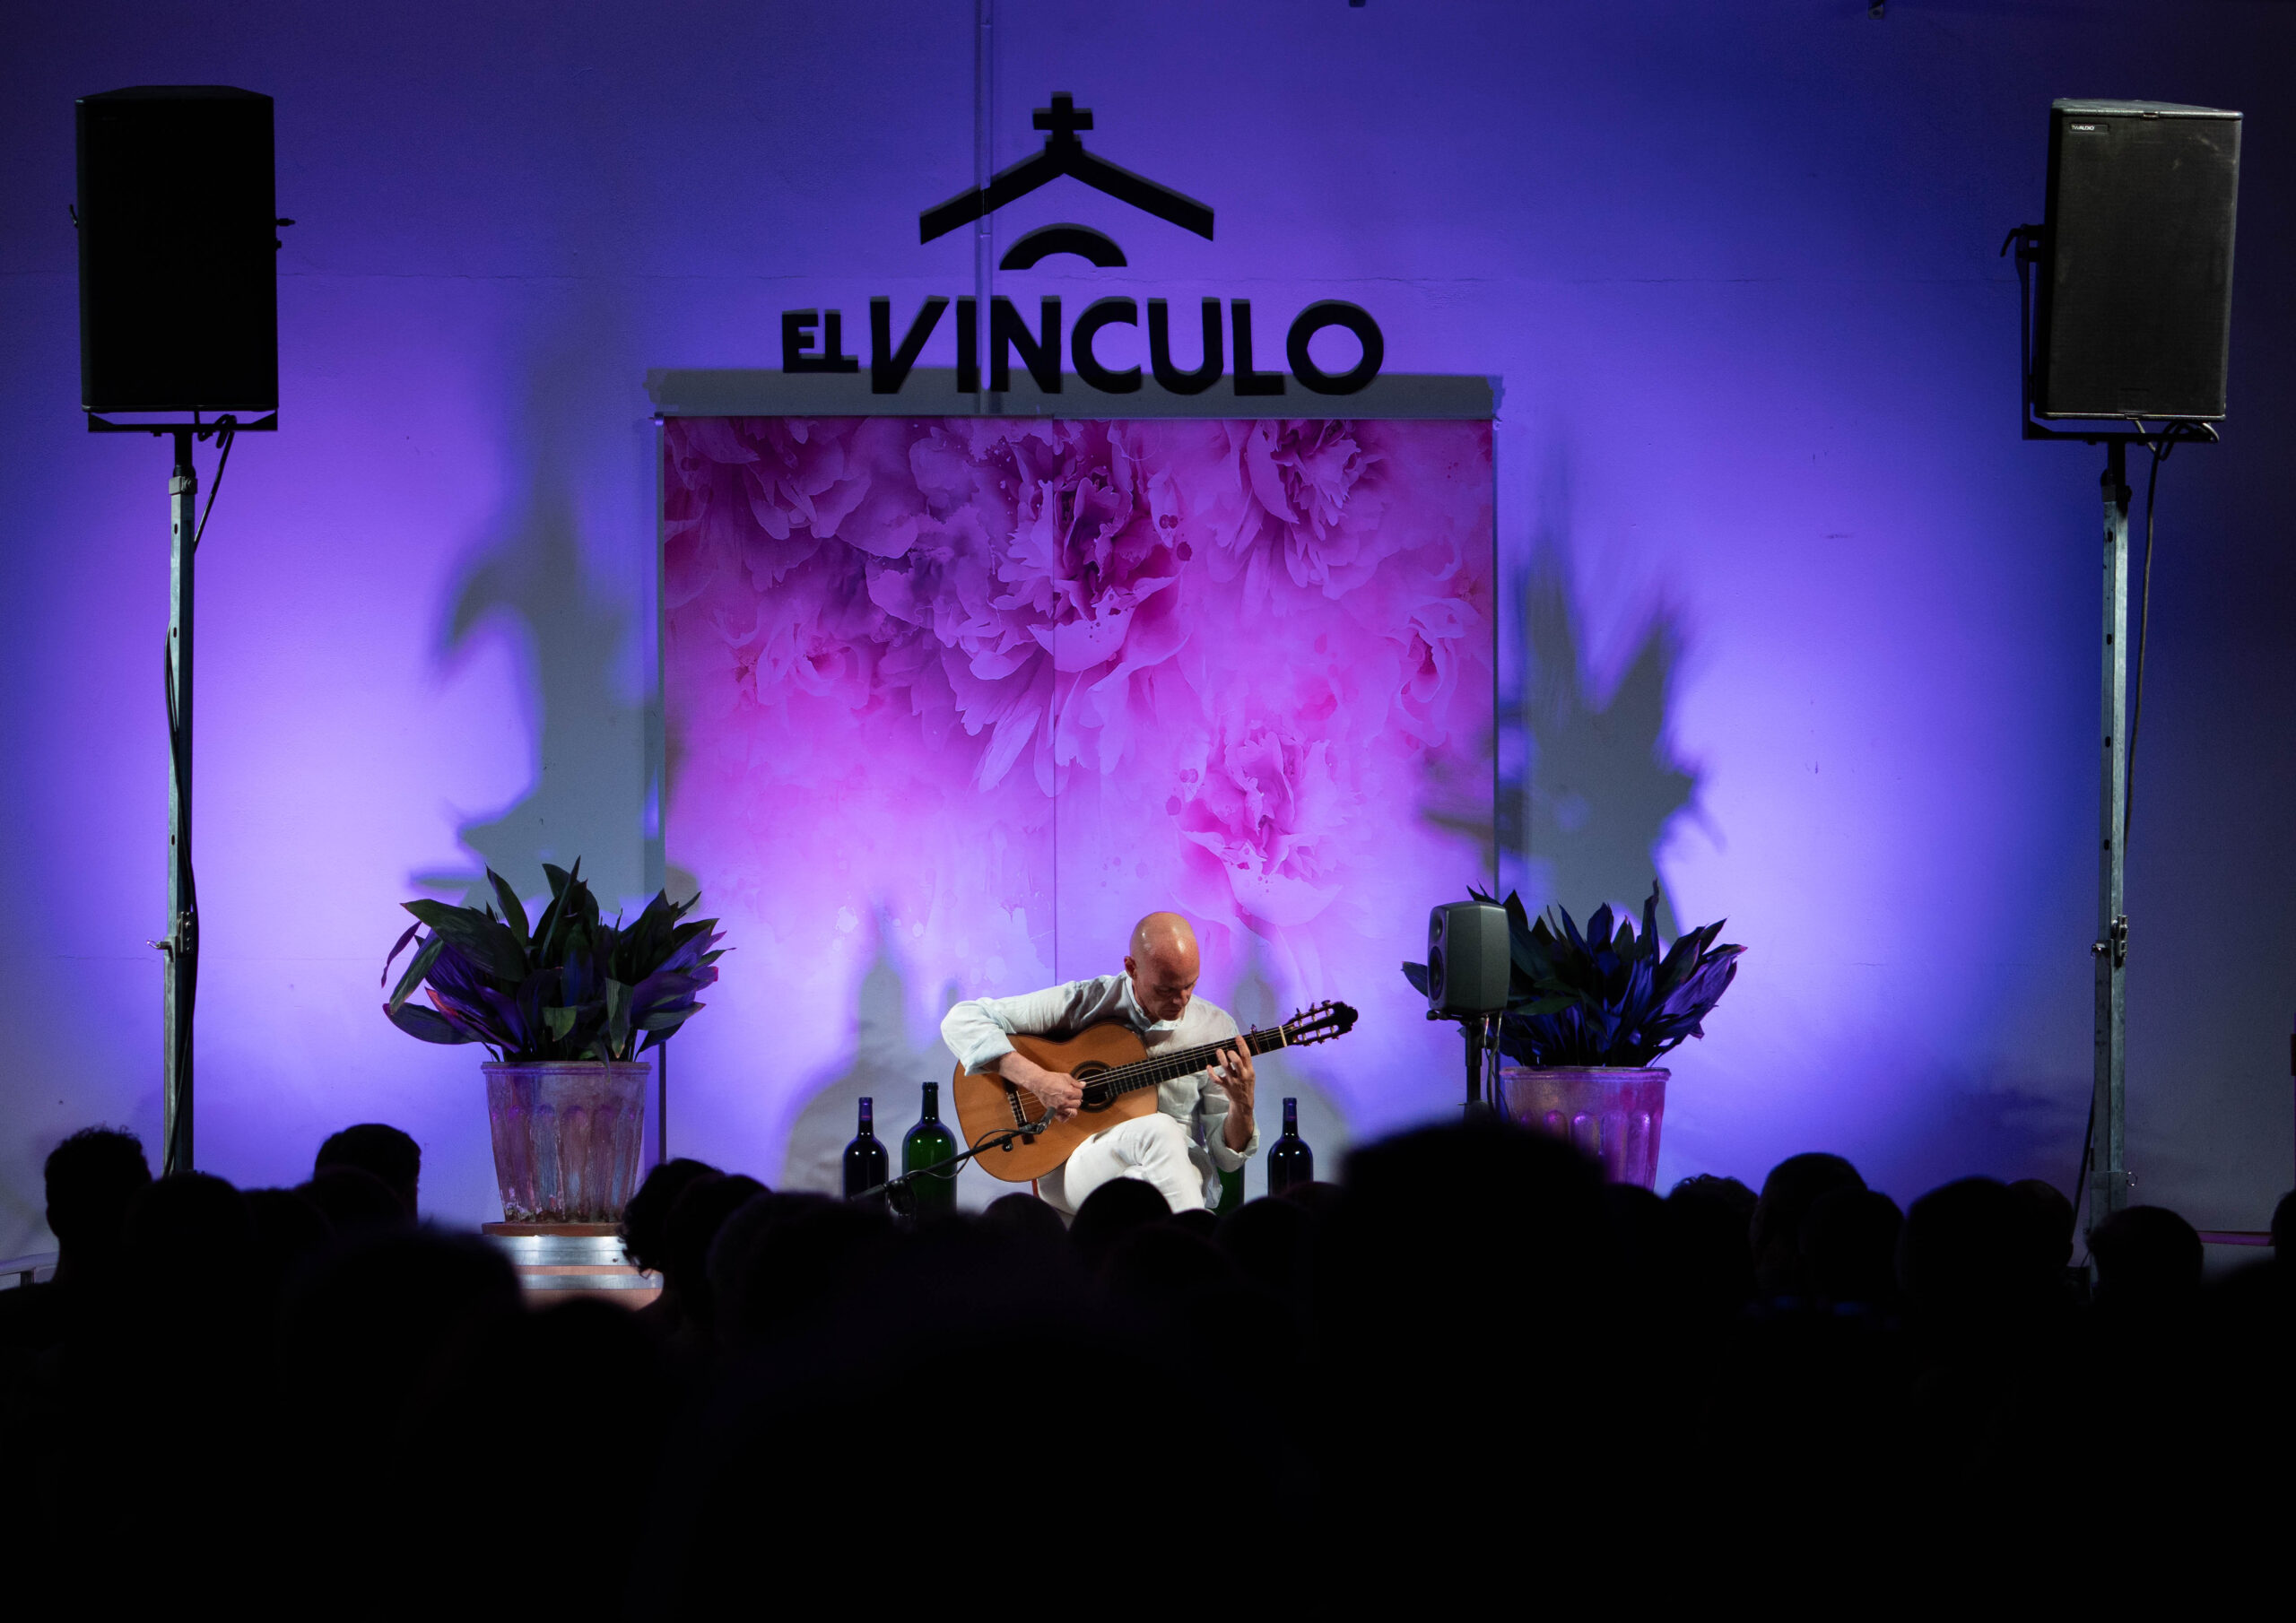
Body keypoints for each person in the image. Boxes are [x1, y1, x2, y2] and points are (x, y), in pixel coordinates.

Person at [940, 911, 1257, 1216]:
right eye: (1166, 989)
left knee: (1142, 1189)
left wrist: (1242, 1106)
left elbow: (1228, 1160)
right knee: (1161, 1129)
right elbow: (961, 1019)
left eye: (1190, 985)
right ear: (1131, 968)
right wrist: (1037, 1080)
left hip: (1176, 1172)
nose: (1181, 1000)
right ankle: (1192, 1241)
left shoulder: (1215, 1029)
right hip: (1075, 1164)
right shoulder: (1085, 1002)